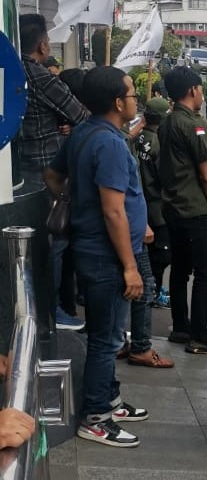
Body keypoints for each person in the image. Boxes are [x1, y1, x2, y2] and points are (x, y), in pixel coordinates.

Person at [45, 66, 150, 448]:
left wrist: (72, 203)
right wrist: (129, 266)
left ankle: (110, 399)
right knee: (106, 339)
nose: (135, 99)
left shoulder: (86, 132)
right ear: (118, 102)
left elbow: (52, 177)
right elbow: (113, 211)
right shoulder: (107, 143)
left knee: (105, 333)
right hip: (107, 257)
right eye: (132, 93)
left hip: (93, 249)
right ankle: (95, 417)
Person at [158, 66, 207, 355]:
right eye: (199, 89)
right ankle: (199, 334)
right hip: (194, 207)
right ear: (192, 91)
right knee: (205, 273)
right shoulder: (197, 126)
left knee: (180, 269)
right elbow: (206, 175)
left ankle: (180, 327)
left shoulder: (166, 122)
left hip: (171, 205)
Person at [18, 14, 89, 181]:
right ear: (42, 46)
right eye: (48, 41)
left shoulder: (13, 70)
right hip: (44, 168)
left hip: (19, 163)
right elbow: (81, 116)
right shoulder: (42, 78)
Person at [135, 97, 172, 309]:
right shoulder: (158, 143)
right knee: (161, 254)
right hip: (157, 207)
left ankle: (152, 287)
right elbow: (164, 176)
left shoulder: (138, 137)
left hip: (142, 204)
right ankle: (154, 290)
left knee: (148, 252)